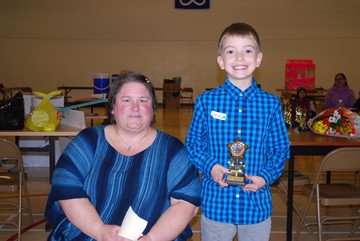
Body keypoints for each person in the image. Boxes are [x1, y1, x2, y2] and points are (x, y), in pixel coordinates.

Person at [45, 72, 201, 241]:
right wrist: (99, 230)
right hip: (87, 233)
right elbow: (66, 188)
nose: (135, 107)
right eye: (126, 100)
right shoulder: (89, 141)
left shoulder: (173, 150)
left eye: (143, 100)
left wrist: (151, 238)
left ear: (153, 107)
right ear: (112, 107)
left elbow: (185, 203)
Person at [185, 23, 290, 241]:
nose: (240, 57)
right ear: (221, 61)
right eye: (231, 51)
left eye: (248, 51)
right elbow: (194, 144)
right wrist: (211, 167)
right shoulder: (207, 101)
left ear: (258, 59)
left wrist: (264, 178)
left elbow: (280, 149)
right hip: (216, 204)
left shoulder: (271, 104)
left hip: (256, 205)